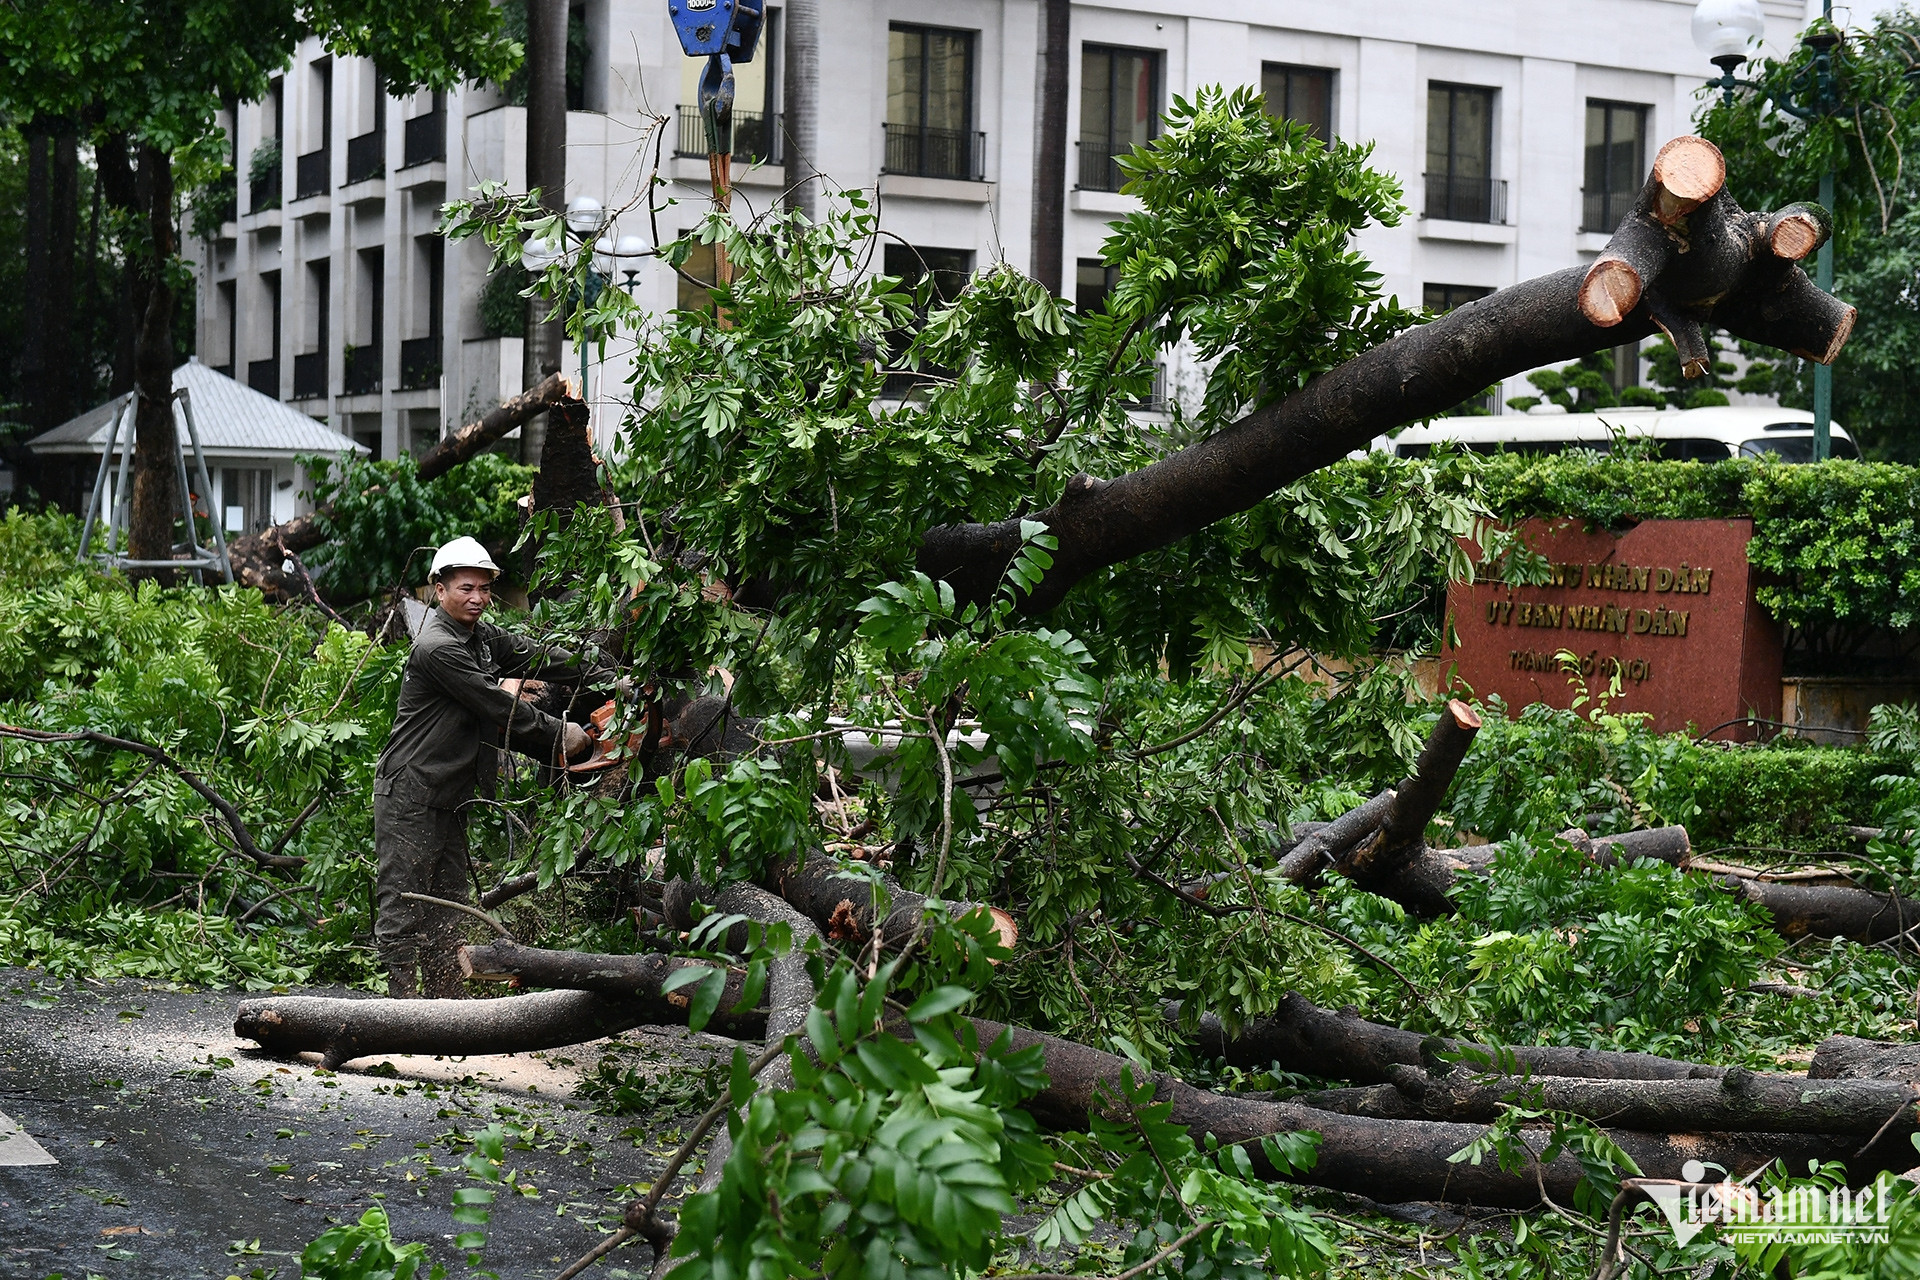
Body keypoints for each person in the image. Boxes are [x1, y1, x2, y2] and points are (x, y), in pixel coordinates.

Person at [372, 536, 600, 998]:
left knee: (448, 906)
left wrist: (602, 670)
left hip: (450, 793)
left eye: (484, 589)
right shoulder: (438, 648)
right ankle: (399, 1012)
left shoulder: (480, 637)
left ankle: (446, 1009)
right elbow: (500, 707)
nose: (477, 598)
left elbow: (536, 656)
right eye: (465, 588)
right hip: (410, 793)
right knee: (402, 904)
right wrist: (564, 735)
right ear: (439, 589)